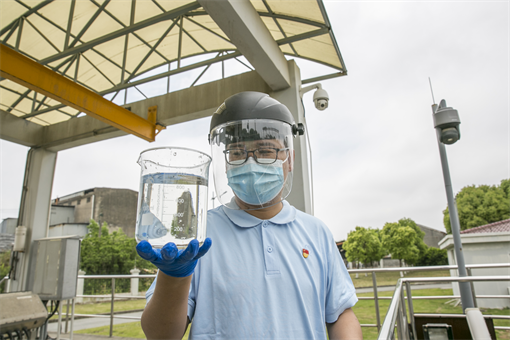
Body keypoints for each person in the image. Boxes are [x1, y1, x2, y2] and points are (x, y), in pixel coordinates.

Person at [136, 92, 362, 340]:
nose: (250, 162)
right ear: (226, 163)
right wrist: (173, 278)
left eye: (266, 151)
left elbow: (341, 314)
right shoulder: (198, 234)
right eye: (237, 152)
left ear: (290, 160)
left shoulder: (316, 232)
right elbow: (160, 335)